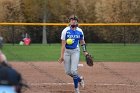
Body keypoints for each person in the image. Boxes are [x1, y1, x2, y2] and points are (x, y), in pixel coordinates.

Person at [58, 15, 89, 93]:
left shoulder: (80, 31)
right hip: (67, 52)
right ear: (69, 21)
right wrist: (61, 56)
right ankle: (80, 79)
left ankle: (76, 89)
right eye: (72, 20)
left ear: (77, 21)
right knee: (68, 72)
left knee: (74, 71)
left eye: (75, 20)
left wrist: (85, 51)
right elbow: (63, 45)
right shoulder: (65, 31)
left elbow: (82, 41)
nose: (73, 21)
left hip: (75, 51)